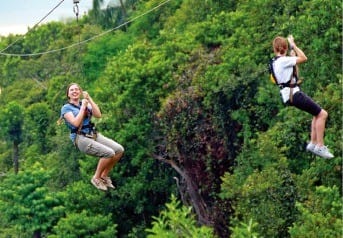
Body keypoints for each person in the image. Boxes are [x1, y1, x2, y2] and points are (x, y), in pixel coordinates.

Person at [271, 35, 334, 159]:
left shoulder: (275, 62)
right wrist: (293, 45)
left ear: (275, 49)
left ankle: (313, 143)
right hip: (294, 94)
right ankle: (320, 146)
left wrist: (293, 57)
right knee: (323, 114)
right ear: (284, 47)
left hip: (290, 95)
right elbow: (304, 58)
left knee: (316, 114)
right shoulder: (284, 61)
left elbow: (295, 76)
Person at [60, 83, 124, 190]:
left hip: (93, 134)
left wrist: (89, 99)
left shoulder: (84, 103)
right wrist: (83, 107)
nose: (75, 91)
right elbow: (75, 123)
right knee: (109, 153)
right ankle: (96, 177)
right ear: (68, 94)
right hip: (80, 138)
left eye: (77, 89)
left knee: (119, 150)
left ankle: (104, 176)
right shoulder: (66, 108)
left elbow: (98, 115)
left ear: (80, 92)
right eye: (72, 90)